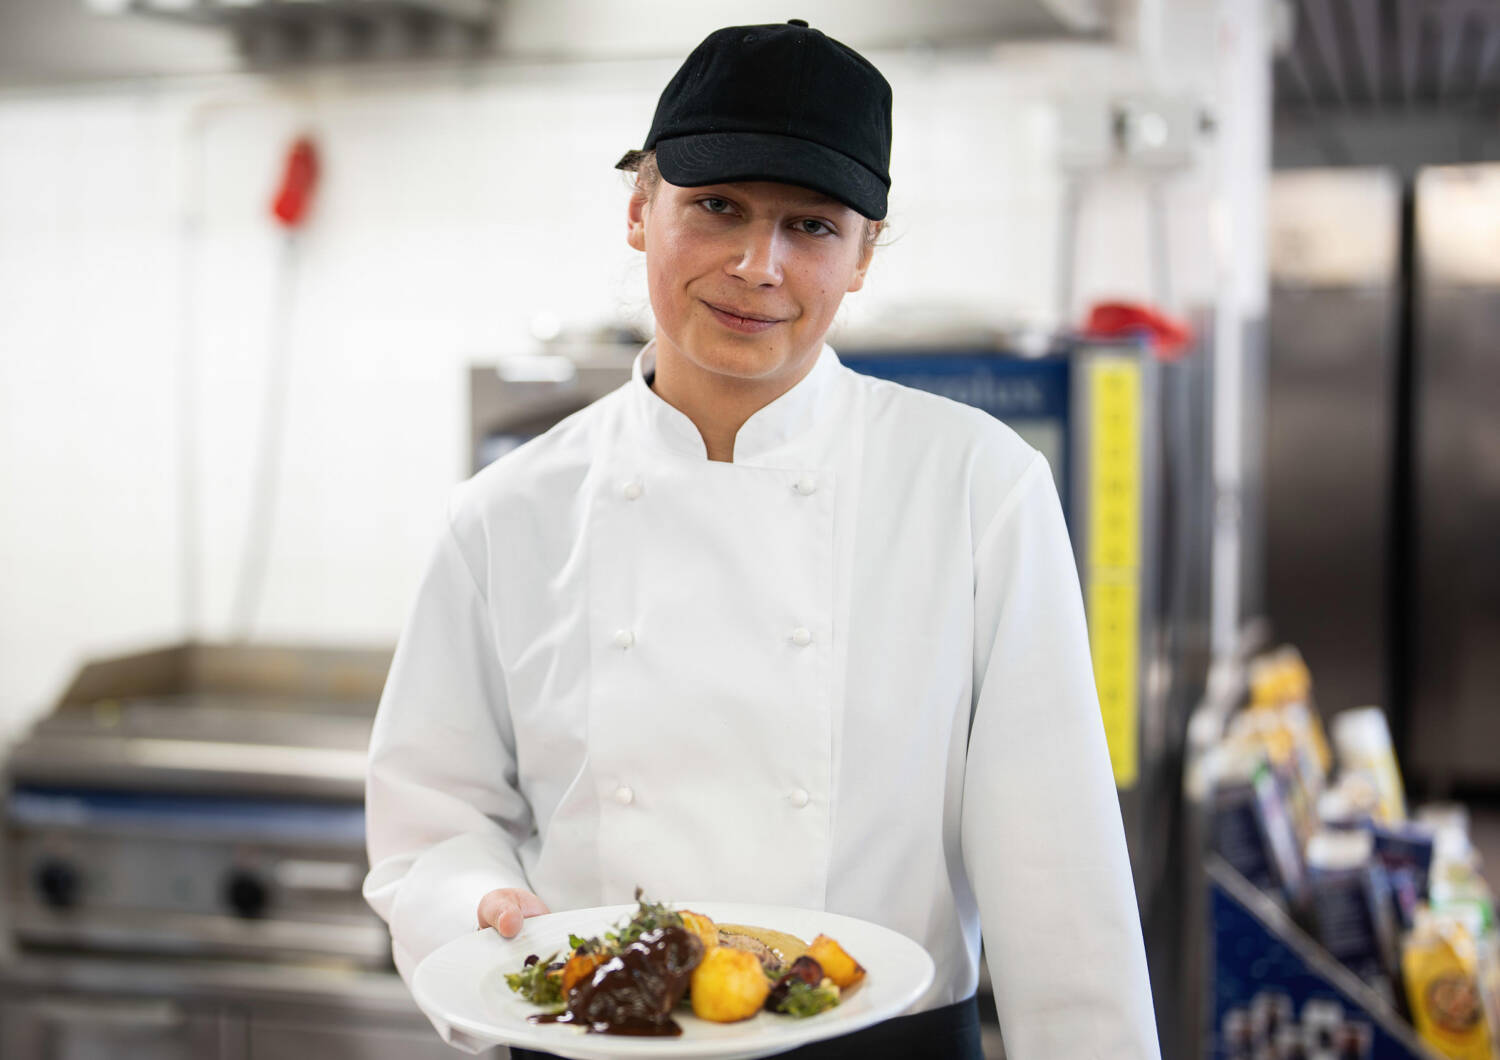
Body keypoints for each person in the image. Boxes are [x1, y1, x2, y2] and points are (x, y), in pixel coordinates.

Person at [363, 19, 1160, 1060]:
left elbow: (1061, 881)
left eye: (812, 227)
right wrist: (483, 907)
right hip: (591, 1034)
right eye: (717, 206)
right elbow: (434, 813)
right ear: (640, 208)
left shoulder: (977, 486)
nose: (757, 264)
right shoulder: (508, 513)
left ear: (866, 251)